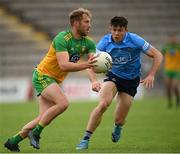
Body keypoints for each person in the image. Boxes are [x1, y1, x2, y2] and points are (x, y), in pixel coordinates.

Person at [4, 8, 101, 152]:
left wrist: (93, 80)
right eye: (86, 22)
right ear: (76, 23)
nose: (89, 25)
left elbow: (91, 64)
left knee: (42, 118)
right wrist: (85, 64)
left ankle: (13, 141)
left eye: (89, 22)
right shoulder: (62, 38)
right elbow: (64, 65)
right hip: (43, 75)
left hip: (54, 80)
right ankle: (35, 133)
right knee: (63, 103)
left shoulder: (89, 43)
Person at [76, 16, 163, 150]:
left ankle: (118, 126)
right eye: (114, 30)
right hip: (113, 76)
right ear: (110, 29)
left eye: (120, 30)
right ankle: (85, 139)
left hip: (131, 81)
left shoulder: (134, 39)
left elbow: (157, 55)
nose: (116, 33)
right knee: (103, 104)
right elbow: (90, 62)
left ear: (126, 30)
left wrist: (151, 74)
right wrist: (93, 81)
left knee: (119, 120)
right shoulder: (105, 42)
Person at [162, 33, 180, 108]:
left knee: (174, 86)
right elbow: (160, 55)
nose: (173, 39)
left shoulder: (178, 47)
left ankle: (178, 99)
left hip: (177, 70)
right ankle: (170, 103)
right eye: (171, 38)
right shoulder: (166, 47)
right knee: (168, 87)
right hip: (167, 70)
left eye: (174, 38)